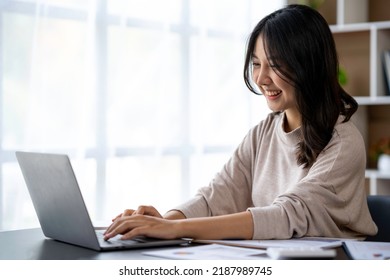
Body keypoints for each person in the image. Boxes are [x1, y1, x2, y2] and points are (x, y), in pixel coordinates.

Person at [104, 4, 377, 241]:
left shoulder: (343, 142)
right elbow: (216, 196)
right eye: (257, 64)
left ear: (309, 65)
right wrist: (165, 221)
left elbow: (286, 215)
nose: (260, 78)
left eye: (275, 64)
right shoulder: (263, 133)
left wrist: (173, 228)